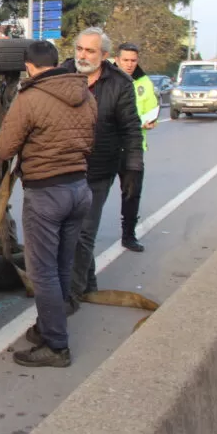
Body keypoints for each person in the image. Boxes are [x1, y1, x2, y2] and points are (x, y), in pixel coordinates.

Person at [0, 40, 97, 368]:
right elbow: (91, 139)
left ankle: (56, 345)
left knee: (43, 273)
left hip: (47, 194)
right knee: (63, 265)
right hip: (80, 189)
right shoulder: (86, 95)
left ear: (29, 65)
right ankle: (48, 326)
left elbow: (3, 149)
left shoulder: (30, 99)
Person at [58, 28, 143, 305]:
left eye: (90, 51)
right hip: (64, 166)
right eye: (79, 49)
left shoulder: (119, 84)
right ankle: (88, 282)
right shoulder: (60, 75)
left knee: (83, 232)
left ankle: (71, 294)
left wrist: (132, 169)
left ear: (104, 55)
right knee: (67, 230)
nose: (82, 55)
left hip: (99, 169)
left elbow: (131, 129)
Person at [114, 42, 159, 252]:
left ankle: (128, 235)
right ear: (117, 59)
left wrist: (150, 121)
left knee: (132, 193)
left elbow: (151, 108)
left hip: (133, 145)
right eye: (126, 60)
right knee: (92, 194)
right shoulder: (107, 79)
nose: (130, 64)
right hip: (108, 144)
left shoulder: (144, 82)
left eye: (133, 60)